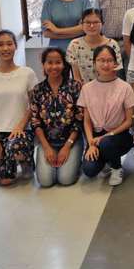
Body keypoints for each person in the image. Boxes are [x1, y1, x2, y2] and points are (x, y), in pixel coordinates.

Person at [0, 29, 37, 186]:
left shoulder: (27, 73)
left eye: (9, 44)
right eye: (1, 44)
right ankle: (8, 165)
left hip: (20, 131)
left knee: (17, 148)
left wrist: (20, 126)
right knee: (5, 180)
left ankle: (25, 162)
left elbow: (33, 105)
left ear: (15, 46)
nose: (5, 48)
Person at [78, 45, 134, 186]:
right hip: (96, 137)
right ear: (94, 63)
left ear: (115, 63)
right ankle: (107, 158)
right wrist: (91, 144)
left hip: (119, 136)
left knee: (106, 143)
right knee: (89, 170)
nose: (105, 64)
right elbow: (86, 121)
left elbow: (129, 121)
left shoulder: (125, 87)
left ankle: (116, 168)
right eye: (101, 60)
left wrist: (107, 135)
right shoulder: (87, 88)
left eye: (109, 60)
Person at [30, 48, 83, 187]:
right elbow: (35, 121)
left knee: (65, 179)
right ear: (43, 65)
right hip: (47, 142)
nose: (54, 66)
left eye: (58, 62)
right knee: (45, 181)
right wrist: (46, 147)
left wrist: (67, 147)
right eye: (49, 62)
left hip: (71, 141)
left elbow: (79, 119)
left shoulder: (75, 87)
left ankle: (76, 162)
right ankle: (55, 164)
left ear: (64, 64)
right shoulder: (37, 90)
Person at [66, 8, 123, 85]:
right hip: (84, 89)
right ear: (82, 24)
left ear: (102, 23)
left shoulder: (112, 44)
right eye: (88, 22)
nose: (92, 26)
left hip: (108, 87)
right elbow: (76, 78)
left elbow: (114, 73)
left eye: (96, 22)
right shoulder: (74, 45)